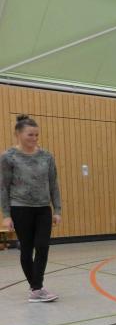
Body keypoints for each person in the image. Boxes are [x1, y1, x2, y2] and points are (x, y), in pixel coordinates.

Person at [0, 114, 62, 302]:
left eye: (36, 135)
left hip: (43, 208)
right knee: (27, 249)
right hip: (20, 208)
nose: (34, 138)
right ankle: (37, 289)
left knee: (42, 247)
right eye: (30, 135)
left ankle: (36, 287)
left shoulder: (46, 156)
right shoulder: (8, 157)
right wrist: (6, 215)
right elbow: (3, 186)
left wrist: (57, 210)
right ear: (18, 134)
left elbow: (53, 184)